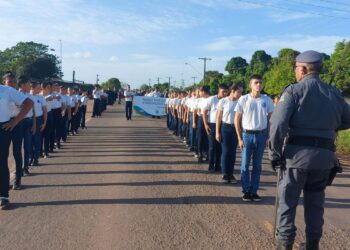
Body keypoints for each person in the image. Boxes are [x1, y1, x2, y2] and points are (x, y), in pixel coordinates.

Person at [269, 50, 350, 250]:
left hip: (296, 158)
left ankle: (285, 244)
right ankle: (312, 244)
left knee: (287, 203)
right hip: (324, 160)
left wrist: (274, 153)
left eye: (297, 68)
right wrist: (326, 127)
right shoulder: (334, 93)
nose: (296, 72)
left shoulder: (293, 91)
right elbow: (347, 120)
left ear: (303, 69)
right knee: (315, 204)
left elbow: (278, 125)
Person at [234, 74, 274, 202]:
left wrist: (269, 136)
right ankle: (246, 190)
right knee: (245, 165)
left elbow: (271, 120)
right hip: (247, 135)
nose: (258, 85)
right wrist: (239, 138)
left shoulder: (267, 100)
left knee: (257, 165)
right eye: (256, 82)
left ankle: (254, 191)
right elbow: (237, 120)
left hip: (261, 136)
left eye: (260, 82)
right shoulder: (244, 99)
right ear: (250, 85)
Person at [1, 72, 33, 209]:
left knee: (5, 158)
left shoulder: (7, 91)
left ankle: (4, 195)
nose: (12, 83)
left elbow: (29, 103)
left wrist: (15, 122)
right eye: (10, 81)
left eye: (14, 81)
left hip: (6, 126)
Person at [216, 83, 243, 183]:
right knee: (226, 151)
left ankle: (231, 174)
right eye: (239, 91)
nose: (240, 94)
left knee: (233, 152)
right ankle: (225, 174)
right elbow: (218, 117)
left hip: (236, 129)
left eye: (241, 92)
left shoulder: (240, 102)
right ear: (233, 91)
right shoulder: (223, 101)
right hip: (225, 128)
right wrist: (217, 132)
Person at [203, 84, 227, 172]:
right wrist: (206, 124)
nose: (224, 93)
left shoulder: (226, 100)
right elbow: (204, 112)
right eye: (222, 92)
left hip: (222, 125)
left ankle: (218, 165)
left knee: (220, 147)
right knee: (212, 146)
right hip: (212, 125)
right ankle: (211, 164)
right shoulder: (212, 99)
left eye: (225, 92)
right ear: (218, 91)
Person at [18, 77, 36, 177]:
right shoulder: (15, 94)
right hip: (19, 122)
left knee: (27, 146)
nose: (30, 86)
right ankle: (18, 167)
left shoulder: (30, 96)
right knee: (18, 147)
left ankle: (25, 166)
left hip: (28, 122)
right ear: (23, 85)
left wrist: (34, 124)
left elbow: (33, 112)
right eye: (29, 84)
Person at [30, 81, 47, 166]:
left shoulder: (41, 98)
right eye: (38, 87)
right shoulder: (26, 96)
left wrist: (44, 122)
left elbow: (45, 111)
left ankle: (35, 158)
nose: (40, 89)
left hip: (39, 119)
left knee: (37, 140)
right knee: (29, 141)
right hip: (29, 120)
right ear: (32, 88)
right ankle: (29, 158)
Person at [195, 86, 210, 163]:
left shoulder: (211, 99)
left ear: (203, 91)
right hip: (201, 119)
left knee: (208, 138)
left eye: (200, 92)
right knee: (200, 137)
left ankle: (207, 153)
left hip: (210, 120)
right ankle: (200, 153)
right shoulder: (199, 100)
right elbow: (197, 110)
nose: (199, 93)